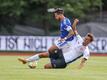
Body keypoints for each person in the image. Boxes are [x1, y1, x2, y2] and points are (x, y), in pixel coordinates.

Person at [18, 18, 94, 69]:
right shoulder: (80, 39)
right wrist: (75, 22)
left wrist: (78, 69)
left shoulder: (86, 51)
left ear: (89, 42)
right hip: (62, 54)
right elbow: (74, 29)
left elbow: (83, 62)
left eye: (87, 40)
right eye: (85, 38)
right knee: (43, 54)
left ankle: (33, 63)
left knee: (46, 67)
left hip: (64, 61)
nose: (85, 39)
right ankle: (26, 60)